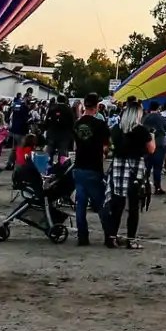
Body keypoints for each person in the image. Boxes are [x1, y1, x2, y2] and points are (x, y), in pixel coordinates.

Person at [104, 107, 154, 249]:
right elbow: (151, 149)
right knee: (133, 206)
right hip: (135, 167)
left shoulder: (116, 129)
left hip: (119, 166)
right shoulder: (141, 130)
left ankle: (111, 237)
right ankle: (131, 239)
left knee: (117, 204)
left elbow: (109, 146)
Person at [68, 94, 109, 246]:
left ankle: (82, 236)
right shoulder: (100, 124)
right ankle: (109, 235)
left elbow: (76, 145)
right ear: (97, 106)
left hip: (79, 166)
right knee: (100, 204)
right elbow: (106, 147)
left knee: (81, 204)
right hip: (94, 167)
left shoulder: (77, 124)